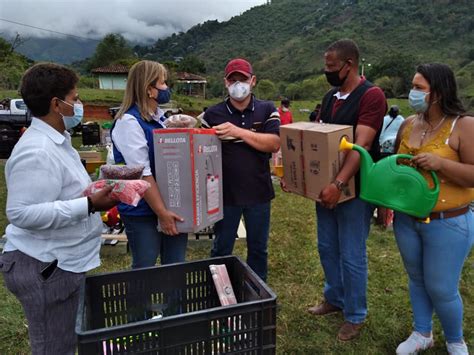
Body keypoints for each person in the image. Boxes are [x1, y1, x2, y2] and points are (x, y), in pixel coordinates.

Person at [0, 63, 117, 354]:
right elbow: (22, 213)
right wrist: (90, 204)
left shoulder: (59, 142)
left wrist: (95, 188)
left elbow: (60, 192)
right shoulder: (37, 150)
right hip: (45, 267)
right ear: (56, 104)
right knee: (54, 348)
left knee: (65, 341)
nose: (79, 104)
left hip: (61, 263)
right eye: (75, 98)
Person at [306, 39, 387, 341]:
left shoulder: (372, 96)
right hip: (326, 189)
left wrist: (338, 184)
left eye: (331, 68)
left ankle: (355, 314)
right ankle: (334, 298)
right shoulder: (330, 97)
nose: (327, 72)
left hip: (355, 190)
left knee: (352, 253)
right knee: (327, 247)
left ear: (349, 65)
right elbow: (316, 139)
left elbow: (362, 144)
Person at [393, 63, 473, 355]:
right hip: (407, 219)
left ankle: (455, 341)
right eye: (413, 86)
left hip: (448, 221)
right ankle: (422, 332)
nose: (412, 92)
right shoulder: (409, 123)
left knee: (441, 287)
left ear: (438, 92)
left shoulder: (463, 125)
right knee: (416, 278)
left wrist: (442, 164)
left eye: (419, 88)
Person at [204, 58, 280, 281]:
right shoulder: (213, 114)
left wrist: (239, 132)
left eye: (243, 79)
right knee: (221, 248)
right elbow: (199, 149)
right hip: (225, 194)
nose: (238, 84)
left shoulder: (266, 109)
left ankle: (257, 294)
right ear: (226, 83)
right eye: (233, 79)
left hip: (258, 193)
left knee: (258, 249)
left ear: (253, 81)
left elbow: (274, 143)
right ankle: (216, 293)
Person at [111, 60, 188, 268]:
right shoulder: (129, 122)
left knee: (175, 265)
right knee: (145, 266)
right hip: (143, 210)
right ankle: (142, 302)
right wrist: (162, 214)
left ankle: (173, 301)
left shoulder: (160, 119)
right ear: (149, 89)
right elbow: (142, 173)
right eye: (162, 83)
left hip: (169, 204)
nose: (166, 88)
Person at [375, 104, 405, 228]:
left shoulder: (384, 119)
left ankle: (382, 217)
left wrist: (380, 145)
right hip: (395, 152)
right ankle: (388, 217)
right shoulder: (402, 120)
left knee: (383, 180)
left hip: (383, 150)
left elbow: (381, 134)